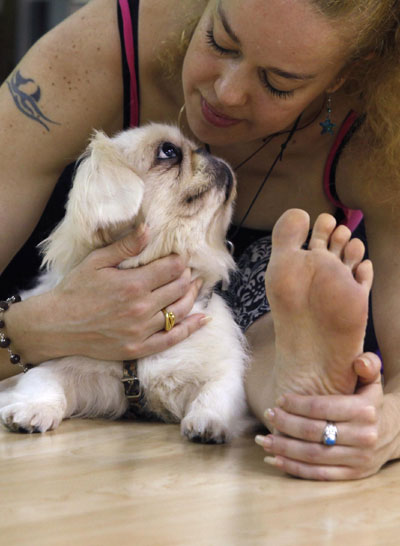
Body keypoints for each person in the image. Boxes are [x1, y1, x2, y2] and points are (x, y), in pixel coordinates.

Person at [0, 0, 397, 480]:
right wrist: (40, 326)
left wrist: (376, 429)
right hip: (81, 262)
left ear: (345, 75)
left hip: (254, 287)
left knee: (260, 319)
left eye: (278, 82)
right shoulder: (95, 52)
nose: (227, 93)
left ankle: (299, 392)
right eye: (219, 41)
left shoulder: (382, 136)